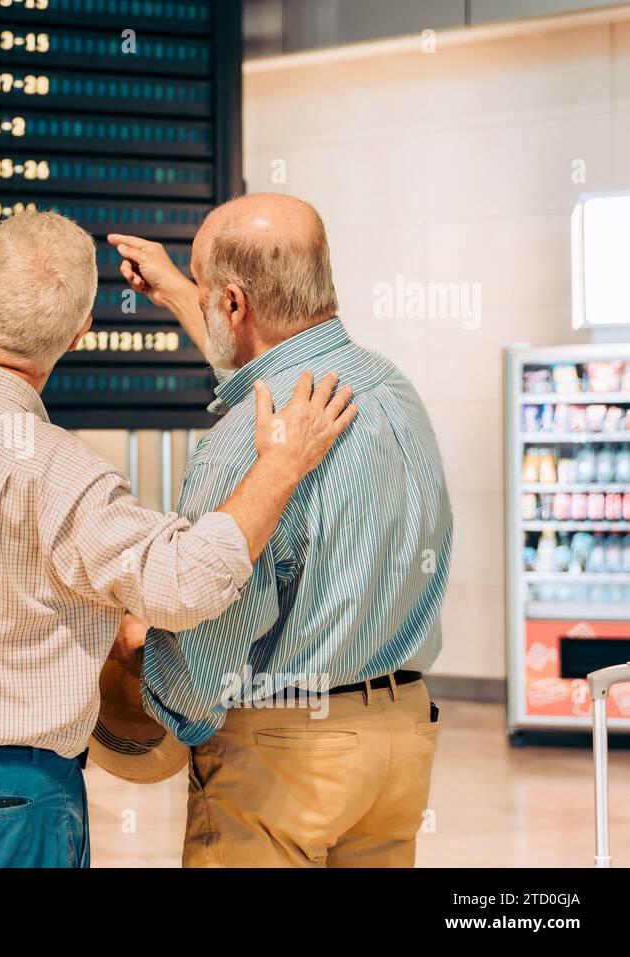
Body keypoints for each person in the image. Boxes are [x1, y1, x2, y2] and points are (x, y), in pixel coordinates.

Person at [0, 209, 355, 868]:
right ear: (80, 332)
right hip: (4, 795)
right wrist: (280, 463)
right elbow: (186, 580)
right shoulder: (60, 470)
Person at [107, 193, 452, 867]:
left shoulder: (243, 448)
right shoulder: (394, 391)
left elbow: (210, 652)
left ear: (234, 305)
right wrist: (185, 291)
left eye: (209, 295)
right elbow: (258, 362)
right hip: (399, 739)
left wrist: (137, 664)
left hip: (283, 754)